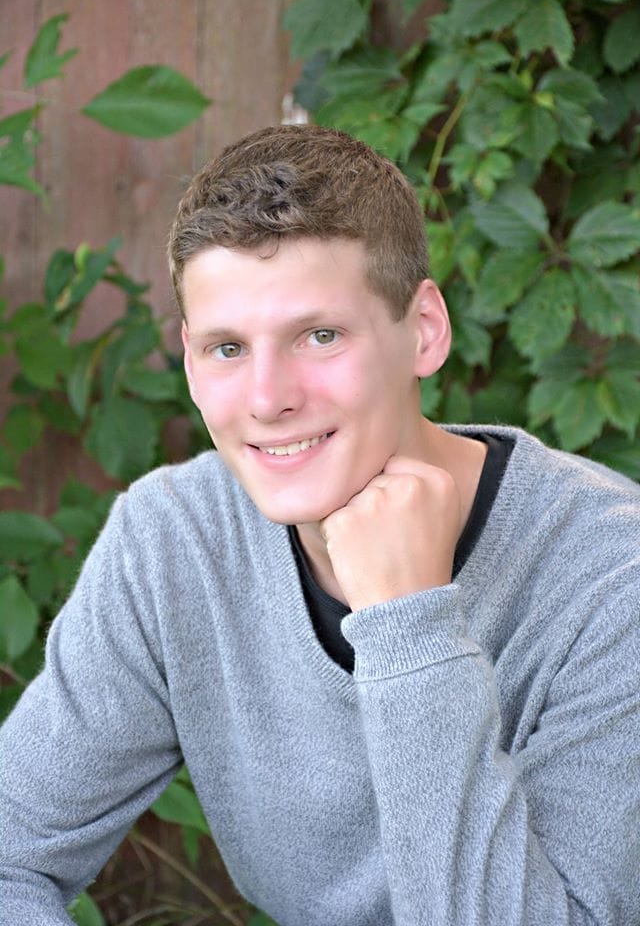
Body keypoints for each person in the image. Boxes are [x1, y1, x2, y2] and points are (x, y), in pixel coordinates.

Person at [1, 124, 639, 926]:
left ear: (426, 331)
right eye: (228, 348)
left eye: (320, 335)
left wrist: (412, 631)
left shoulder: (612, 579)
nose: (268, 398)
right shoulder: (175, 541)